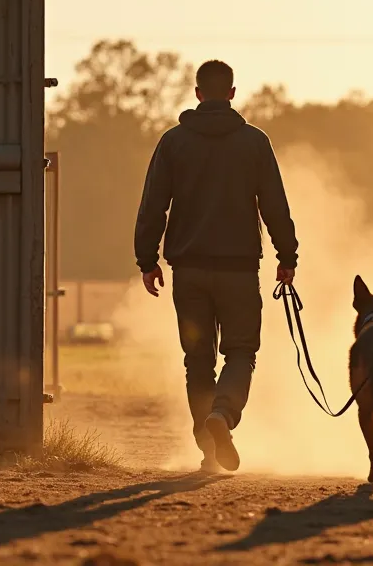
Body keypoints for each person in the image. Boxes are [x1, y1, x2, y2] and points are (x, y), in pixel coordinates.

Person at [134, 60, 299, 473]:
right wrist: (287, 256)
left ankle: (208, 450)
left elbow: (154, 205)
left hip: (188, 271)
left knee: (197, 360)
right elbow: (274, 205)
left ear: (196, 93)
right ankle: (222, 416)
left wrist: (147, 259)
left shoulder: (172, 143)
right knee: (241, 351)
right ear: (231, 93)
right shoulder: (255, 143)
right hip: (239, 271)